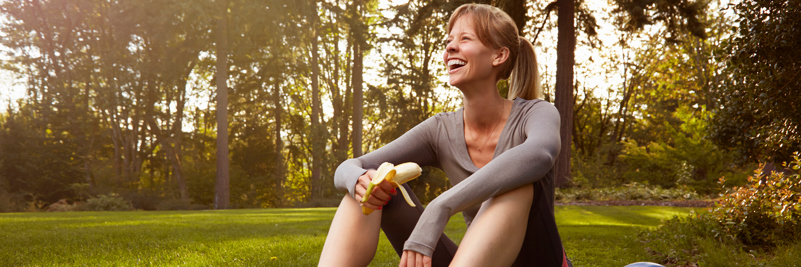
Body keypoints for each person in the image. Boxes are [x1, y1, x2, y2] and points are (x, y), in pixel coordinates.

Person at [319, 4, 569, 267]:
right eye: (449, 40)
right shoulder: (440, 130)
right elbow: (348, 167)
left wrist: (441, 207)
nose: (450, 47)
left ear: (499, 55)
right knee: (367, 187)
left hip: (540, 261)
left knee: (514, 184)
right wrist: (359, 179)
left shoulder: (536, 113)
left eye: (464, 39)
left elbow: (541, 154)